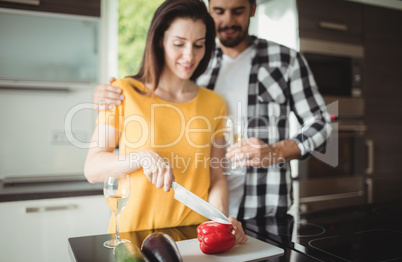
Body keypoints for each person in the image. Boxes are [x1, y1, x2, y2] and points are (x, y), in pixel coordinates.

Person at [93, 0, 332, 220]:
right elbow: (153, 99)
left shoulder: (285, 60)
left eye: (237, 10)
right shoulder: (196, 60)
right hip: (201, 210)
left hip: (264, 206)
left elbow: (321, 124)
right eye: (219, 11)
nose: (228, 20)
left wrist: (275, 151)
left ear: (252, 9)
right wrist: (112, 94)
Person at [85, 0, 247, 244]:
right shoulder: (123, 92)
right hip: (133, 238)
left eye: (199, 45)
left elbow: (216, 178)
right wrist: (140, 157)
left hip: (194, 237)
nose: (189, 56)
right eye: (179, 44)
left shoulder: (214, 103)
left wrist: (221, 221)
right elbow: (93, 168)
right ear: (160, 40)